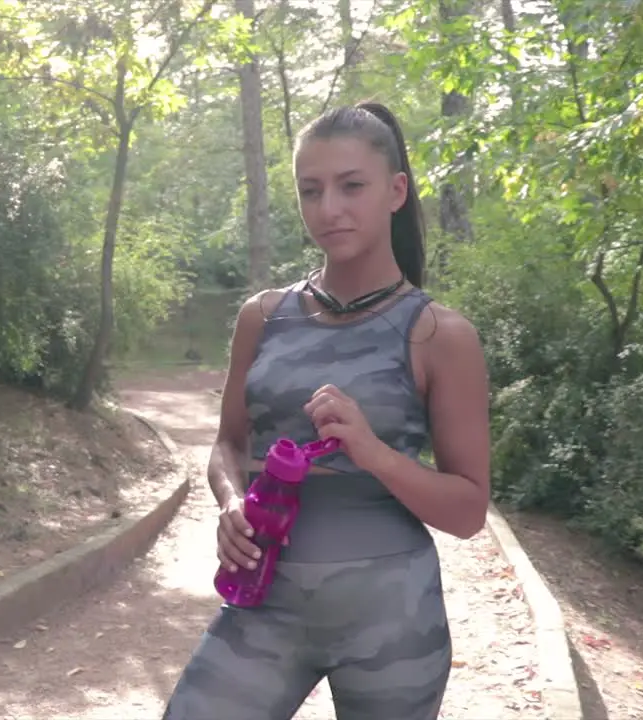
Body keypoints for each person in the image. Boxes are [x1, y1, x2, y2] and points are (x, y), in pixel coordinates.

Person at [160, 101, 492, 720]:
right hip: (266, 601)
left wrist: (374, 454)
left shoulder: (440, 335)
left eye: (351, 186)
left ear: (396, 191)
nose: (328, 208)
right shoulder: (263, 317)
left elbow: (469, 509)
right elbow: (228, 446)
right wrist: (232, 502)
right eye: (311, 191)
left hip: (394, 620)